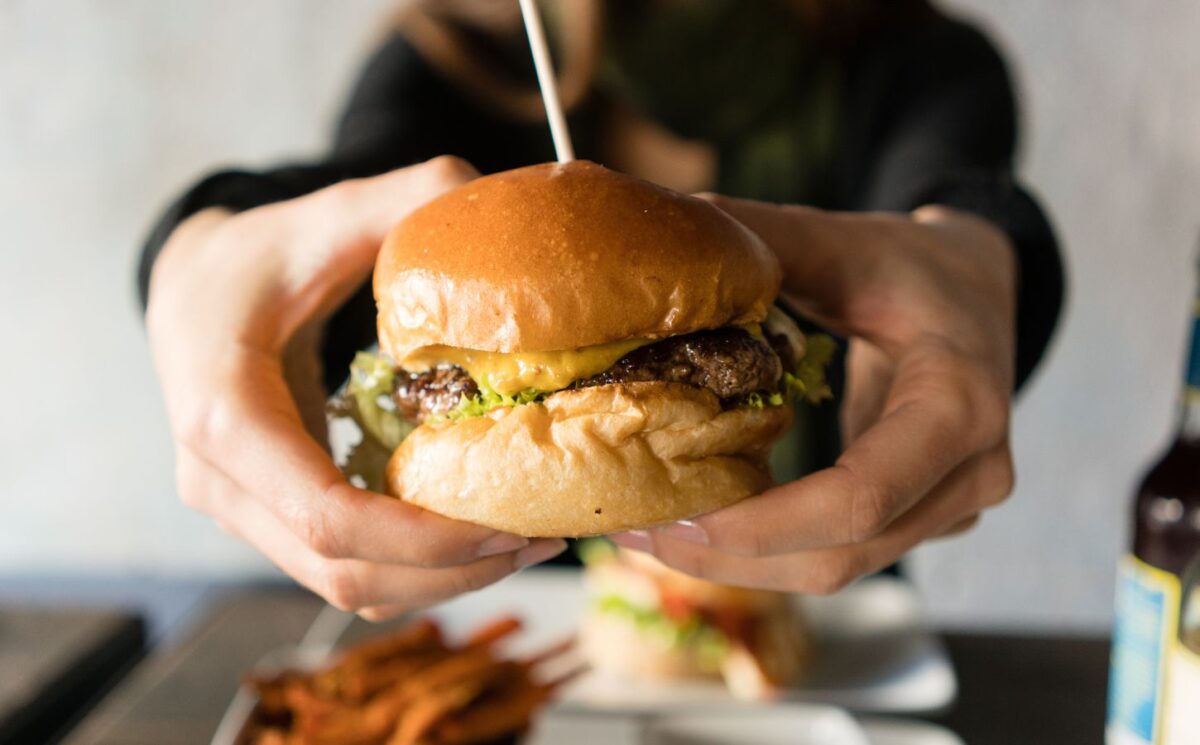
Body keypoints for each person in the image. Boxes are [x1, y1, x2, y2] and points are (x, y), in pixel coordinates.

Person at [139, 0, 1062, 620]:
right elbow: (309, 213)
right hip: (502, 633)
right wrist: (186, 249)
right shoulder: (449, 59)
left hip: (834, 644)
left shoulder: (915, 64)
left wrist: (981, 255)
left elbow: (950, 200)